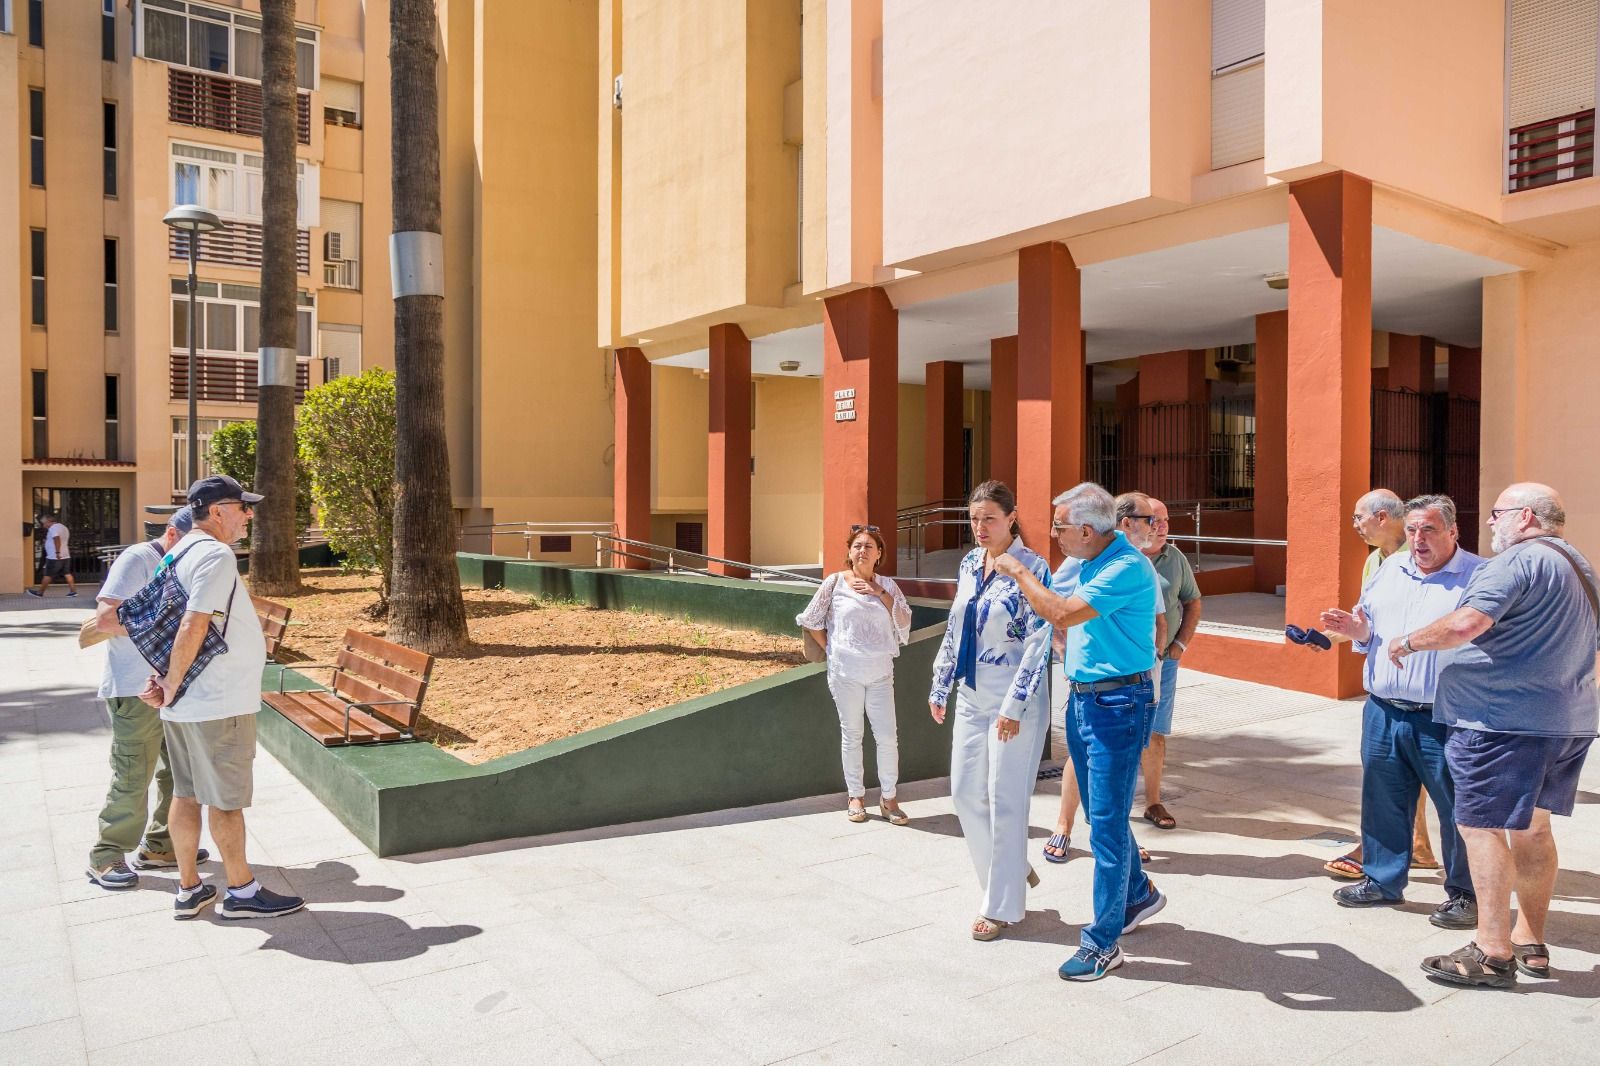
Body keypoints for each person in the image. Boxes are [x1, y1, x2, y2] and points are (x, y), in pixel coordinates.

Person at [1389, 483, 1598, 989]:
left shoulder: (1516, 561)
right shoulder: (1580, 566)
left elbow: (1467, 624)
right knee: (1534, 831)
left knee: (1479, 828)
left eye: (1496, 514)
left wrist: (1408, 641)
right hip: (1564, 721)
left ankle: (1491, 949)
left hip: (1501, 725)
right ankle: (1530, 942)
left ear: (1525, 517)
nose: (1490, 523)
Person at [998, 482, 1165, 981]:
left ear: (1087, 531)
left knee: (1108, 826)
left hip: (1118, 704)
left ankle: (1103, 942)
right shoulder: (1092, 561)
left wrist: (1018, 569)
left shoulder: (1125, 566)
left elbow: (1061, 611)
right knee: (1098, 812)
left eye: (1060, 527)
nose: (1053, 534)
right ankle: (1139, 894)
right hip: (1087, 698)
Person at [139, 475, 304, 921]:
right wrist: (171, 682)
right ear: (217, 512)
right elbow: (192, 623)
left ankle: (189, 888)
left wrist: (166, 682)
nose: (248, 515)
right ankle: (242, 892)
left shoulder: (175, 552)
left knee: (186, 794)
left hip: (187, 702)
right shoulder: (214, 554)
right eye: (242, 507)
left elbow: (161, 623)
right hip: (216, 701)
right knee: (226, 801)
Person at [1317, 495, 1480, 929]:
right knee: (1383, 800)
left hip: (1446, 716)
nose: (1418, 539)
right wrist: (1357, 631)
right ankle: (1382, 880)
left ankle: (1466, 893)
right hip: (1384, 709)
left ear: (1452, 532)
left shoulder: (1477, 576)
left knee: (1457, 808)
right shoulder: (1390, 568)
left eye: (1428, 530)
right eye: (1411, 530)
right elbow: (1370, 631)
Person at [928, 481, 1053, 942]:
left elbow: (1040, 644)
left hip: (1013, 703)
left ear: (1011, 517)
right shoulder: (968, 563)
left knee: (1005, 800)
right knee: (964, 793)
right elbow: (956, 626)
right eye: (974, 518)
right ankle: (1011, 869)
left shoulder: (1034, 568)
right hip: (971, 695)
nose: (980, 527)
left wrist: (1016, 705)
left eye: (990, 519)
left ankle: (999, 906)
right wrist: (941, 683)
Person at [85, 507, 213, 889]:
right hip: (133, 688)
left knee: (178, 772)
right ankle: (107, 855)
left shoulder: (186, 562)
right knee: (133, 773)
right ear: (173, 534)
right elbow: (106, 619)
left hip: (173, 686)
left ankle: (160, 845)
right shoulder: (138, 559)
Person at [1041, 492, 1166, 864]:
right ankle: (1066, 827)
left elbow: (1160, 616)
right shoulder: (1088, 559)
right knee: (1088, 763)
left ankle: (1119, 851)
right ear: (1125, 523)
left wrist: (1155, 656)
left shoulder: (1133, 562)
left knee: (1116, 771)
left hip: (1133, 677)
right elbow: (1056, 606)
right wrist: (1065, 651)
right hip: (1096, 685)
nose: (1157, 526)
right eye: (1149, 519)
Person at [1324, 488, 1440, 880]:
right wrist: (1330, 636)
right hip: (1387, 689)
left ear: (1383, 518)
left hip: (1427, 688)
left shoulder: (1425, 558)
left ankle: (1463, 878)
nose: (1354, 525)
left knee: (1433, 781)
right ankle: (1415, 848)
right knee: (1391, 775)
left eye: (1359, 518)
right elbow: (1368, 620)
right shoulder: (1375, 561)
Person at [797, 523, 914, 825]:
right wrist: (833, 648)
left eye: (869, 546)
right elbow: (810, 619)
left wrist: (879, 593)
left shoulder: (888, 585)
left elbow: (904, 624)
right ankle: (856, 796)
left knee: (888, 737)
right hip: (845, 672)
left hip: (880, 673)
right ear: (849, 552)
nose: (863, 550)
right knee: (852, 735)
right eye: (857, 546)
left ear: (879, 554)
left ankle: (889, 799)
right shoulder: (835, 583)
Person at [1141, 497, 1202, 831]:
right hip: (1125, 665)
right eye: (1154, 520)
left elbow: (1192, 601)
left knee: (1155, 734)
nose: (1162, 526)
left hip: (1163, 663)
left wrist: (1179, 645)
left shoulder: (1174, 557)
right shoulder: (1121, 558)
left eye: (1165, 520)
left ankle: (1153, 801)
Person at [26, 513, 78, 598]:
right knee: (67, 573)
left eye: (44, 523)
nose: (44, 526)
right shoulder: (63, 527)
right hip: (65, 555)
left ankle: (40, 593)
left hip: (54, 556)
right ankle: (73, 591)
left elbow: (57, 539)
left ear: (49, 521)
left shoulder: (53, 528)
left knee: (48, 574)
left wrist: (57, 553)